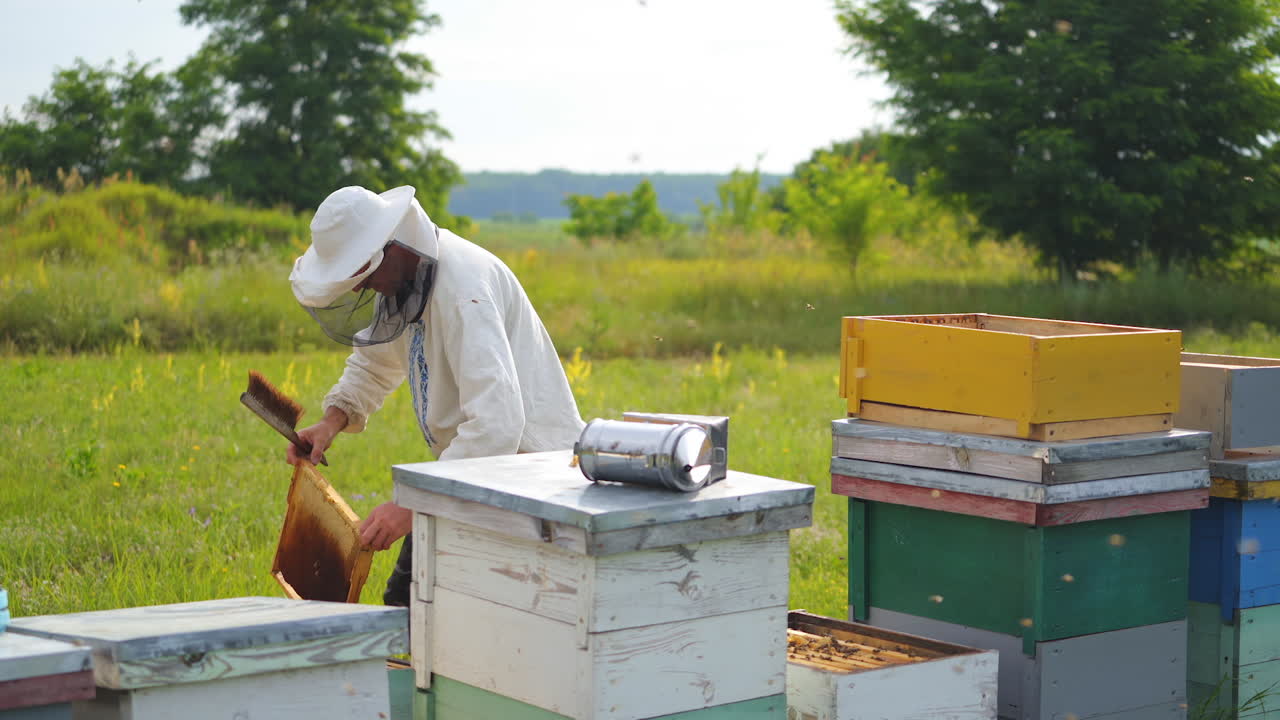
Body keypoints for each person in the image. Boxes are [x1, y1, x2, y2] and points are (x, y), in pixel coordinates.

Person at [285, 184, 586, 606]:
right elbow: (375, 362)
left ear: (392, 248)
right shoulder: (406, 277)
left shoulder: (465, 293)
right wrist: (331, 421)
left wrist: (414, 505)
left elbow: (497, 424)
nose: (359, 290)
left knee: (449, 619)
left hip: (528, 481)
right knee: (409, 609)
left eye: (364, 275)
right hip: (469, 475)